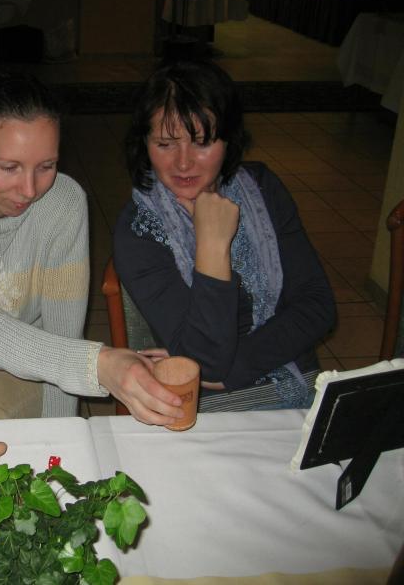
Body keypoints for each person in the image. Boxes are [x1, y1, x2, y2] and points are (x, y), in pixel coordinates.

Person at [0, 73, 184, 425]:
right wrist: (99, 365)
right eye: (9, 167)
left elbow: (62, 335)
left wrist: (62, 436)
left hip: (31, 356)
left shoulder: (64, 203)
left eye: (47, 166)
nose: (29, 190)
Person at [114, 59, 336, 412]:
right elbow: (204, 361)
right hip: (204, 403)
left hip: (295, 379)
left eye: (202, 142)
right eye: (165, 144)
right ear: (145, 143)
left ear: (229, 140)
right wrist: (213, 246)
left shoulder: (262, 188)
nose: (183, 163)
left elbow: (318, 306)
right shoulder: (140, 230)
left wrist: (236, 368)